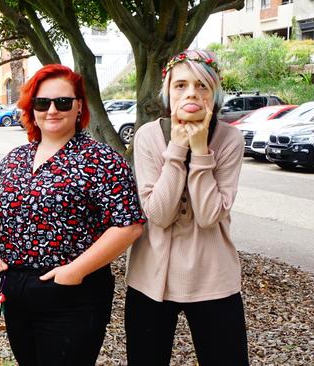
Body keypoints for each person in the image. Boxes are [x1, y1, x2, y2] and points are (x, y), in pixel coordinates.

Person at [0, 64, 144, 365]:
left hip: (74, 294)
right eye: (42, 103)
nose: (52, 110)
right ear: (31, 108)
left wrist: (76, 270)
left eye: (63, 102)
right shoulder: (15, 159)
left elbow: (129, 225)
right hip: (17, 291)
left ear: (79, 106)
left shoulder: (101, 159)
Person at [125, 49, 249, 365]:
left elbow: (209, 216)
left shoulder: (230, 139)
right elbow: (159, 214)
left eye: (201, 85)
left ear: (214, 93)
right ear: (168, 92)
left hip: (213, 278)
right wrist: (178, 148)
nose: (191, 92)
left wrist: (200, 150)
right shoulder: (148, 136)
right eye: (180, 85)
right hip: (150, 279)